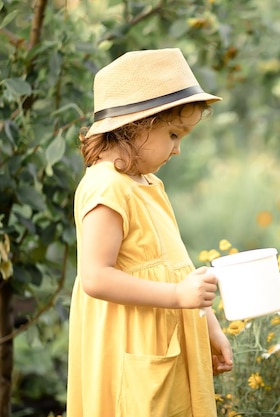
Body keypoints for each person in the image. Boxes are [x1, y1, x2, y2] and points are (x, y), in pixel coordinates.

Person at [66, 48, 233, 417]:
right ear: (134, 125)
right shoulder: (106, 188)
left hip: (162, 342)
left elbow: (177, 266)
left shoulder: (149, 184)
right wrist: (177, 295)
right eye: (174, 134)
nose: (177, 150)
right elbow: (95, 277)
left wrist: (210, 327)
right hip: (130, 346)